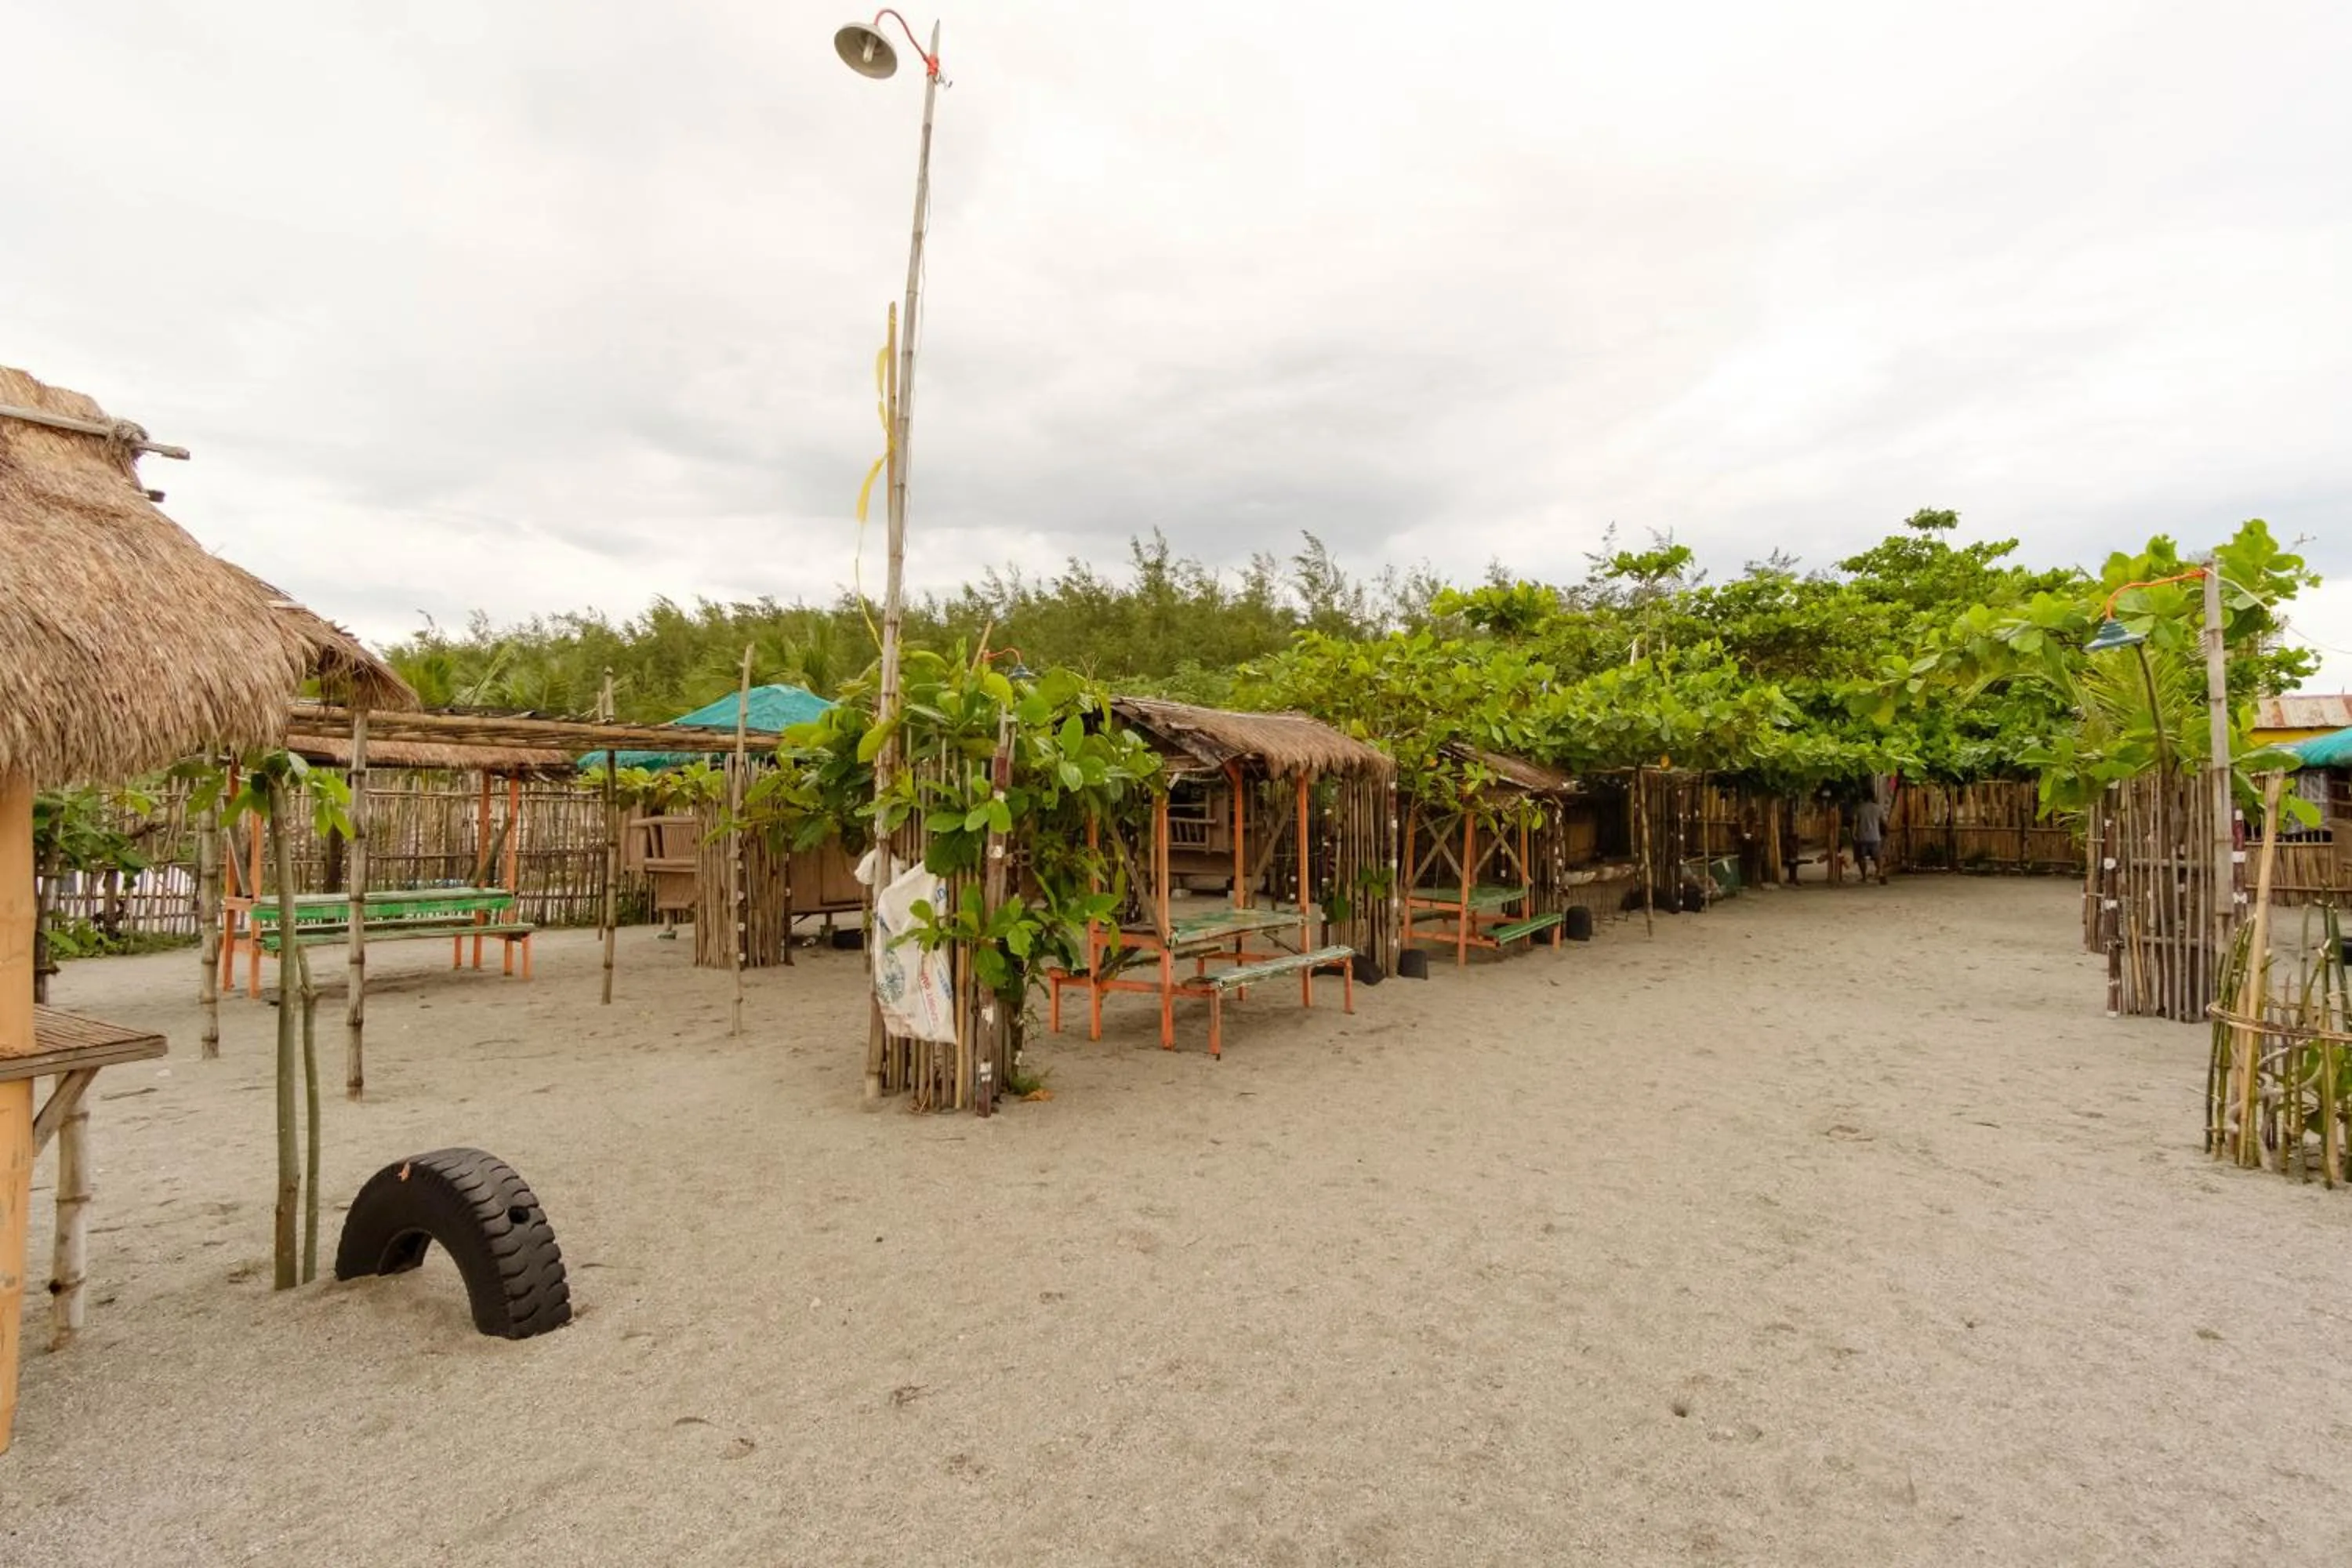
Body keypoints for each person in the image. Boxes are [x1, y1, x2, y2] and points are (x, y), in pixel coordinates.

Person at [1853, 793, 1888, 885]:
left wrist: (1854, 834)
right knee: (1877, 857)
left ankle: (1864, 877)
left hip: (1862, 836)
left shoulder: (1859, 808)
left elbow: (1855, 822)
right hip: (1875, 836)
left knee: (1862, 858)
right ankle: (1880, 872)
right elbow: (1884, 821)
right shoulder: (1878, 808)